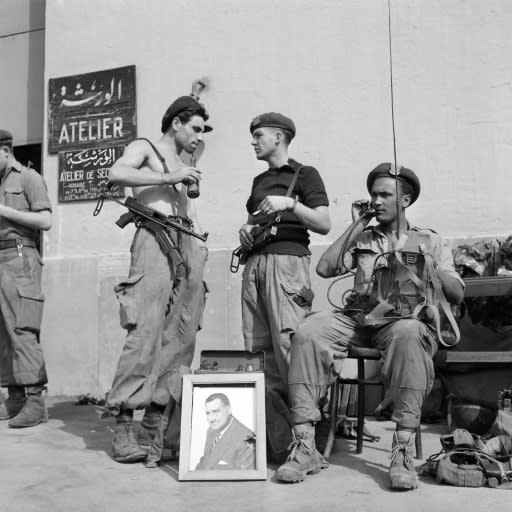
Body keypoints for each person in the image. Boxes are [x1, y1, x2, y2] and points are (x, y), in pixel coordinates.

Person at [276, 163, 465, 490]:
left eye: (385, 195)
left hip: (402, 322)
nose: (376, 200)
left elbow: (458, 292)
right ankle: (305, 445)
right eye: (373, 194)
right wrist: (356, 225)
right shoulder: (364, 236)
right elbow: (325, 267)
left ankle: (402, 449)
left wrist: (431, 266)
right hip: (359, 318)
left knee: (408, 333)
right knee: (309, 331)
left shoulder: (429, 240)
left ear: (404, 200)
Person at [106, 96, 211, 462]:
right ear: (176, 123)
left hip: (188, 244)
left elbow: (191, 212)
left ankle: (154, 429)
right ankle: (123, 428)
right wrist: (169, 176)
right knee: (145, 330)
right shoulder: (145, 148)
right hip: (154, 237)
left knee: (182, 335)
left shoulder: (187, 166)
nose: (199, 137)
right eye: (195, 128)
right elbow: (116, 174)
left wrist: (199, 244)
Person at [239, 112, 330, 398]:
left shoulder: (305, 174)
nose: (253, 142)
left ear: (278, 137)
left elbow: (323, 223)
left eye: (258, 136)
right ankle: (275, 425)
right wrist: (245, 229)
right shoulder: (259, 181)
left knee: (289, 342)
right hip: (255, 264)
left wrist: (290, 204)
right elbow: (252, 219)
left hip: (288, 264)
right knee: (257, 346)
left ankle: (304, 421)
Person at [0, 129, 52, 428]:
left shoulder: (29, 178)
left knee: (22, 328)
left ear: (6, 150)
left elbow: (45, 220)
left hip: (21, 259)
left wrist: (5, 211)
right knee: (3, 334)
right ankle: (15, 396)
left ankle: (35, 400)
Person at [196, 393, 256, 470]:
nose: (211, 418)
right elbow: (205, 462)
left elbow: (245, 475)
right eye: (208, 413)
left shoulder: (249, 438)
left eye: (216, 411)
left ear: (229, 410)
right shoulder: (211, 431)